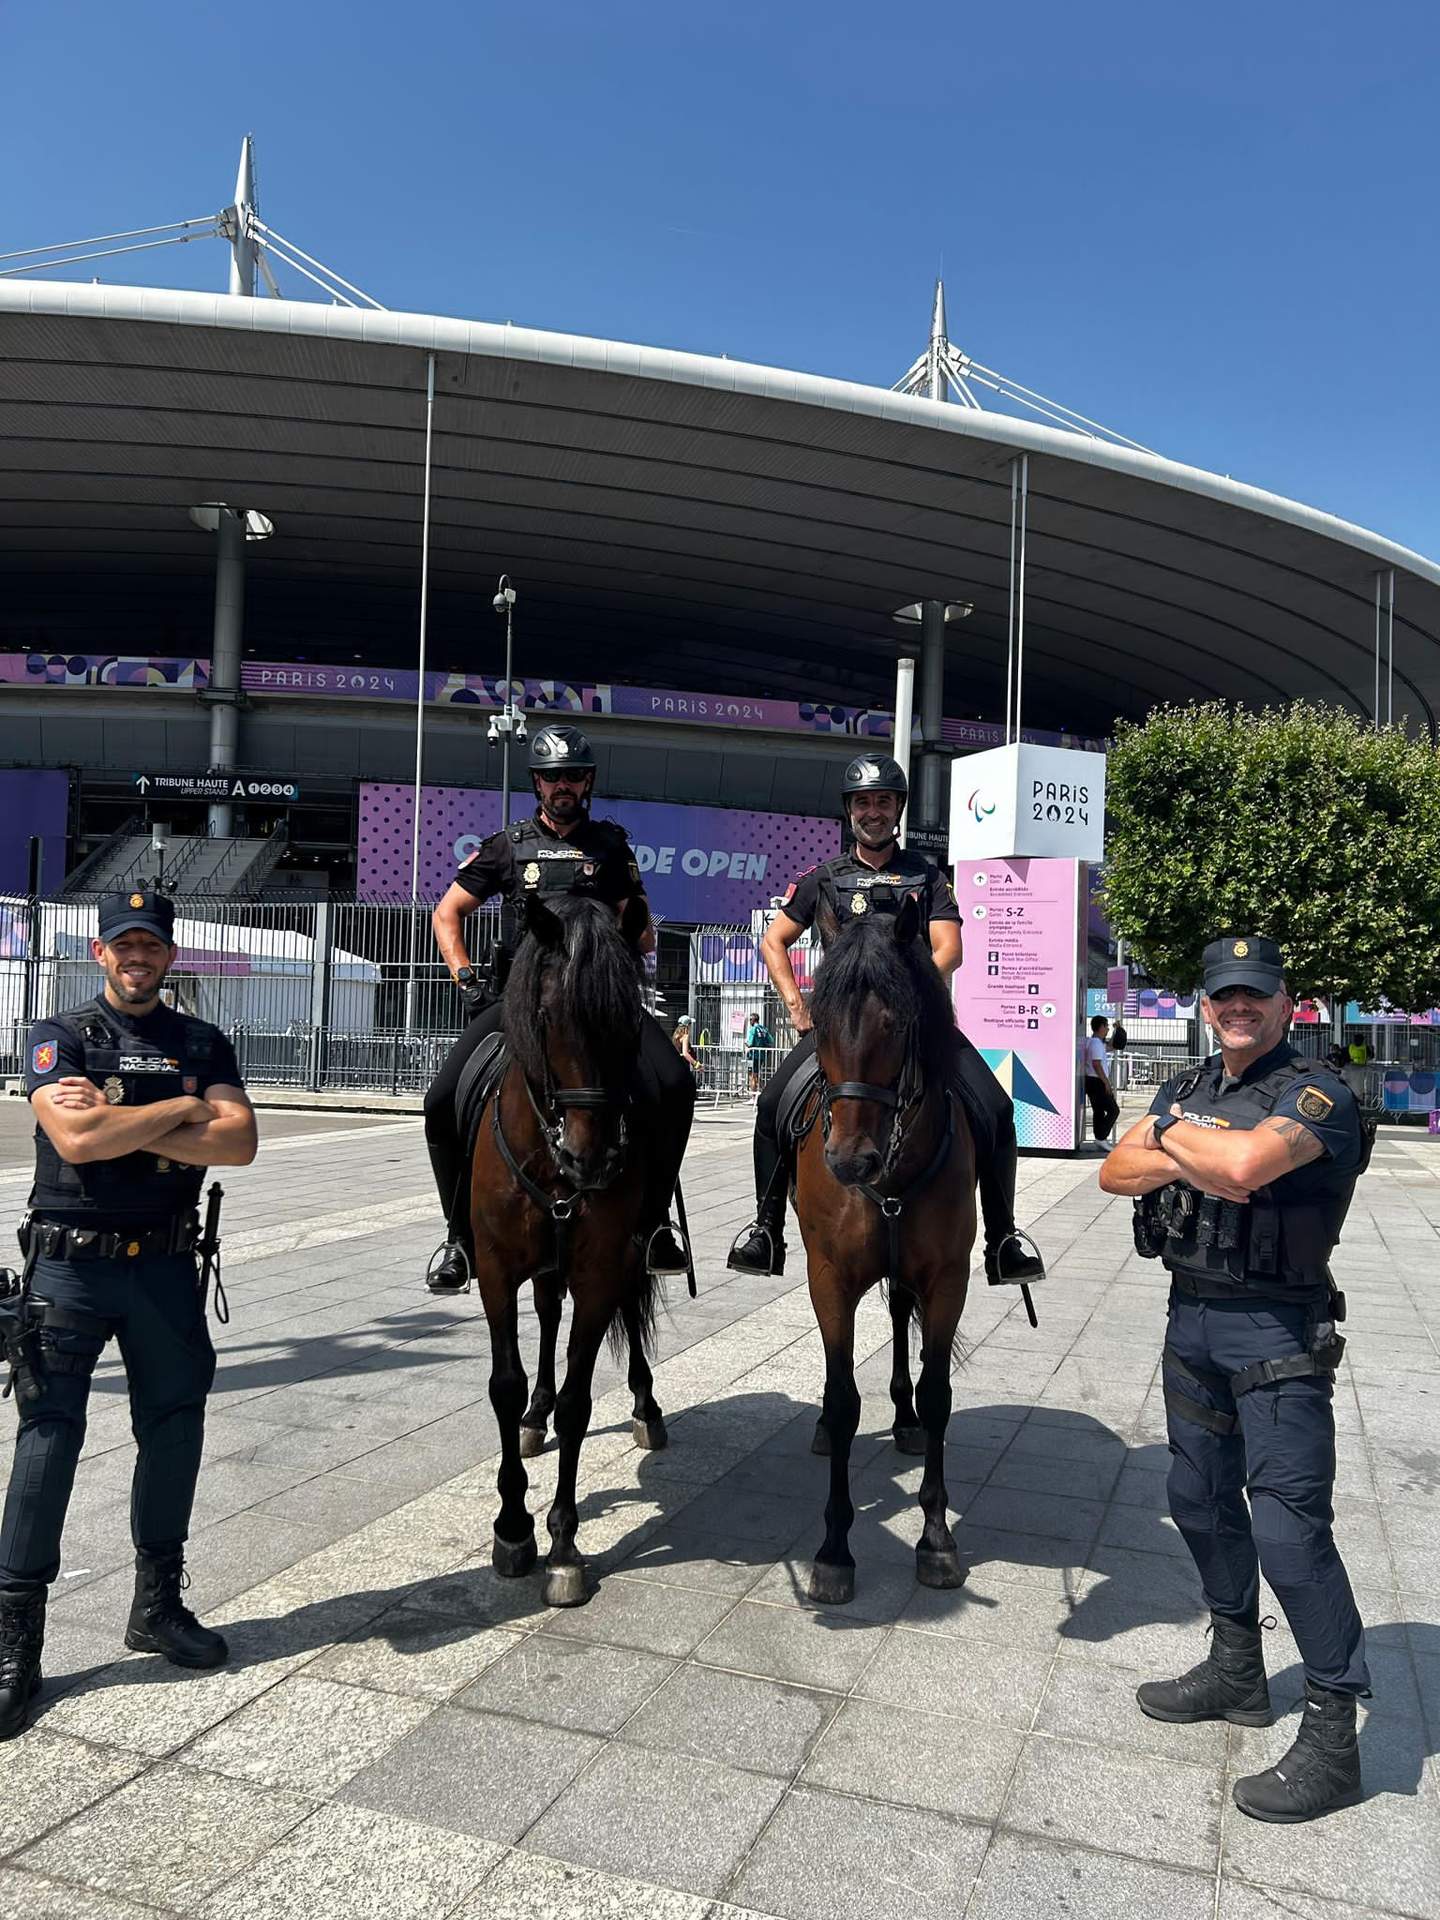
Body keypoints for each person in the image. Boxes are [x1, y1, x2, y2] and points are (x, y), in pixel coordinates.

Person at [1099, 934, 1371, 1824]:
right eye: (1225, 996)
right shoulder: (1189, 1089)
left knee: (1290, 1533)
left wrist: (1176, 1145)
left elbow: (1253, 1168)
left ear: (1286, 1001)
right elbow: (1113, 1169)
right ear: (1207, 1006)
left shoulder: (1319, 1093)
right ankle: (1237, 1672)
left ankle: (1334, 1739)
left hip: (1277, 1330)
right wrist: (1194, 1140)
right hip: (1192, 1319)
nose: (1239, 1007)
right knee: (1196, 1498)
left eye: (1256, 994)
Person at [1, 888, 258, 1742]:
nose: (137, 956)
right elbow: (73, 1143)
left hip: (165, 1269)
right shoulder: (58, 1035)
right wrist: (185, 1108)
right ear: (101, 954)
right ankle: (14, 1639)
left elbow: (240, 1142)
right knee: (47, 1442)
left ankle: (158, 1607)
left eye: (151, 944)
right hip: (71, 1267)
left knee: (175, 1430)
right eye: (124, 944)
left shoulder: (202, 1040)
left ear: (170, 954)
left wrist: (124, 1121)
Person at [726, 754, 1045, 1286]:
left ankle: (1003, 1238)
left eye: (882, 801)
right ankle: (766, 1227)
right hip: (843, 1034)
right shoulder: (823, 880)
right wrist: (797, 1006)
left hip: (917, 1026)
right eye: (862, 803)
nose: (872, 812)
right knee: (770, 1105)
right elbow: (772, 940)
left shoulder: (926, 874)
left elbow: (951, 949)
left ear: (898, 808)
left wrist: (906, 991)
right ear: (849, 811)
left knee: (995, 1106)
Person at [422, 724, 693, 1292]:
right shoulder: (506, 846)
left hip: (600, 1001)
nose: (562, 785)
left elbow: (642, 932)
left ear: (587, 781)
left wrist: (632, 929)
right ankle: (457, 1237)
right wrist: (468, 980)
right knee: (443, 1098)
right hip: (525, 1001)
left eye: (572, 775)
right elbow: (447, 914)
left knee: (674, 1084)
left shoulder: (612, 846)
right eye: (552, 777)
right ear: (537, 784)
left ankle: (654, 1225)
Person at [1083, 1014, 1120, 1145]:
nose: (1108, 1029)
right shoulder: (1096, 1044)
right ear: (1101, 1027)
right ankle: (1101, 1137)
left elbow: (1112, 1046)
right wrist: (1106, 1083)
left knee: (1098, 1110)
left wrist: (1117, 1031)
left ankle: (1100, 1137)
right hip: (1096, 1081)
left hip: (1092, 1081)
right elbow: (1096, 1065)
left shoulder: (1094, 1042)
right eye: (1107, 1026)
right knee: (1113, 1110)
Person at [744, 1010, 773, 1095]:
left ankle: (753, 1096)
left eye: (750, 1020)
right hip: (762, 1055)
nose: (750, 1022)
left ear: (754, 1020)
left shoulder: (753, 1029)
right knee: (756, 1074)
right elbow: (771, 1040)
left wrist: (746, 1043)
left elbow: (750, 1043)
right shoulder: (763, 1029)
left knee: (752, 1075)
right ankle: (761, 1092)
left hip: (753, 1055)